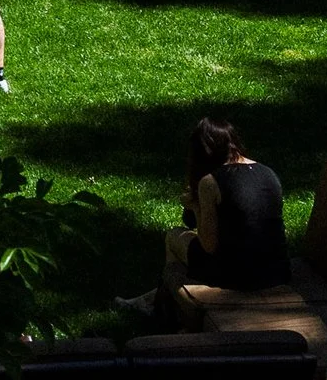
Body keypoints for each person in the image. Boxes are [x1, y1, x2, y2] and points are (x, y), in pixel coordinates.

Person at [116, 117, 288, 315]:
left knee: (174, 237)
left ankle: (169, 310)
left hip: (239, 277)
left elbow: (208, 245)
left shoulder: (210, 182)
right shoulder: (268, 172)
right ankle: (153, 299)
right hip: (277, 271)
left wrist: (195, 206)